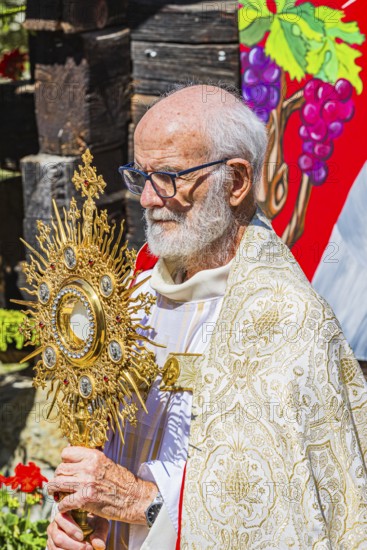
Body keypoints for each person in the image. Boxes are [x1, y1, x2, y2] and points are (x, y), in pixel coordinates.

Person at [46, 85, 367, 550]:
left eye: (170, 177)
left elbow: (287, 520)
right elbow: (104, 451)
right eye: (141, 176)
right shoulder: (136, 293)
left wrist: (143, 505)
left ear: (236, 182)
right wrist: (75, 516)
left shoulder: (286, 322)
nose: (148, 200)